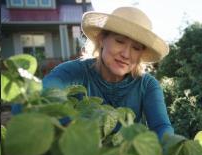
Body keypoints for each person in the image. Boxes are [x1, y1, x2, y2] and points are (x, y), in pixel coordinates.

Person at [42, 7, 174, 140]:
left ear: (141, 54)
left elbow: (161, 126)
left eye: (136, 48)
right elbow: (47, 92)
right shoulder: (73, 71)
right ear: (101, 39)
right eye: (120, 41)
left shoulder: (147, 85)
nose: (126, 54)